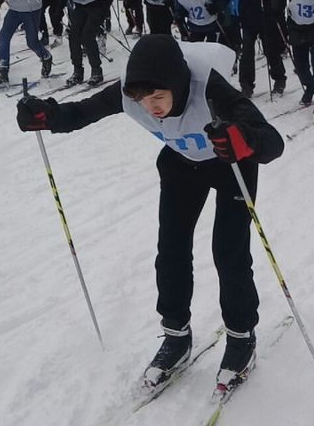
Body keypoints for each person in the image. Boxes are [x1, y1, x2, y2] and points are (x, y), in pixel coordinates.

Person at [16, 35, 283, 393]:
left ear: (178, 84)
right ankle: (176, 336)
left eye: (158, 97)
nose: (151, 107)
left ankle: (241, 338)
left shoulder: (210, 89)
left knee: (228, 253)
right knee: (171, 251)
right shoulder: (131, 92)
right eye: (143, 100)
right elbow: (81, 112)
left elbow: (272, 140)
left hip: (230, 164)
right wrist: (48, 116)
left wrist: (245, 138)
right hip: (180, 165)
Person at [57, 0, 110, 87]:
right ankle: (78, 71)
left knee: (87, 36)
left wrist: (103, 12)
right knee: (74, 35)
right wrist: (58, 11)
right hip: (80, 6)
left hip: (96, 5)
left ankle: (96, 71)